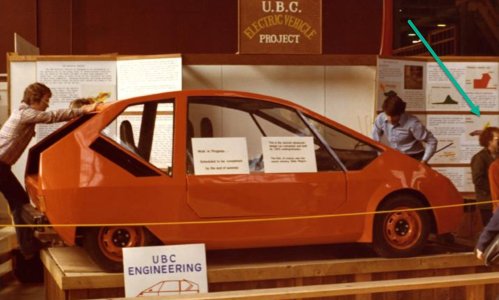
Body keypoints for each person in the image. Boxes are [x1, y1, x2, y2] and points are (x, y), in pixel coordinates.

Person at [0, 82, 99, 262]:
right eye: (46, 100)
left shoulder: (23, 112)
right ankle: (27, 247)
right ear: (35, 99)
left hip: (2, 166)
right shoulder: (25, 113)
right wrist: (83, 110)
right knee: (20, 202)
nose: (47, 104)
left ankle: (28, 246)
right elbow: (51, 116)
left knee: (19, 202)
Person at [372, 94, 438, 164]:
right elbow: (375, 139)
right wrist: (380, 156)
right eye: (388, 115)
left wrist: (424, 161)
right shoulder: (380, 118)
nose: (390, 119)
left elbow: (432, 141)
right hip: (395, 157)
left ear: (401, 113)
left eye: (394, 116)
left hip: (415, 158)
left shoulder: (413, 123)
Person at [471, 127, 499, 225]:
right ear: (489, 141)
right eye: (497, 139)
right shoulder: (479, 158)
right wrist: (494, 188)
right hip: (487, 203)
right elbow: (478, 180)